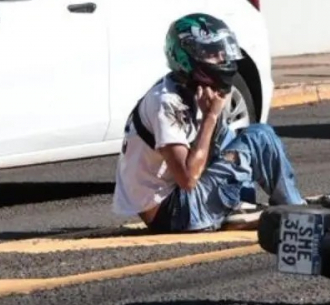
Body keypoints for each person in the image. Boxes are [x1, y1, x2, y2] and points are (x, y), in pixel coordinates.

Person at [113, 13, 305, 232]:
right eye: (213, 53)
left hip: (179, 202)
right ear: (187, 58)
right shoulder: (166, 103)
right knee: (260, 137)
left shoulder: (187, 90)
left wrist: (213, 118)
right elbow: (188, 179)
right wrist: (210, 116)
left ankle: (242, 207)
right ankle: (296, 210)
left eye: (222, 52)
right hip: (174, 212)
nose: (222, 59)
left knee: (229, 134)